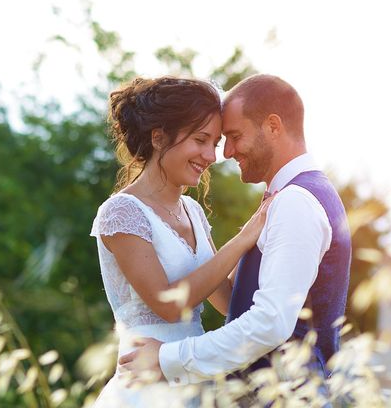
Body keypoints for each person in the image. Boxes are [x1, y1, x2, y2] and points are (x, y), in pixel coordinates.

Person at [119, 74, 352, 405]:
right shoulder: (293, 196)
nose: (225, 153)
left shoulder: (295, 201)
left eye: (233, 136)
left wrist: (168, 358)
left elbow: (270, 323)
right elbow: (239, 302)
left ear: (273, 126)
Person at [89, 76, 272, 407]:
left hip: (192, 380)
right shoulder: (121, 213)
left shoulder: (192, 210)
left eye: (214, 143)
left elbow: (226, 299)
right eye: (201, 140)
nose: (211, 156)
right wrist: (244, 238)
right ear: (158, 137)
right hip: (145, 390)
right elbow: (168, 304)